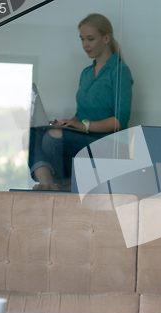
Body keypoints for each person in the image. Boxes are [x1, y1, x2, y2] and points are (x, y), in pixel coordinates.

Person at [28, 13, 133, 191]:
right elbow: (81, 114)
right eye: (82, 39)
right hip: (84, 135)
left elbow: (119, 122)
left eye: (90, 39)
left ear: (106, 38)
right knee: (34, 133)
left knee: (53, 140)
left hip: (106, 141)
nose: (85, 45)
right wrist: (67, 123)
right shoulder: (86, 73)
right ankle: (47, 183)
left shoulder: (120, 71)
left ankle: (66, 184)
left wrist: (83, 126)